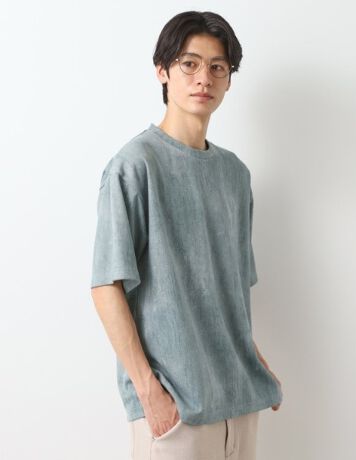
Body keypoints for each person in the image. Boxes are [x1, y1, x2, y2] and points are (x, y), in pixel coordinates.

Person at [90, 10, 283, 460]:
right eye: (189, 64)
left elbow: (229, 292)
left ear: (229, 80)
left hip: (240, 400)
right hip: (174, 408)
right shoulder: (134, 166)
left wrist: (256, 364)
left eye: (218, 67)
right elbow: (106, 285)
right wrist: (148, 392)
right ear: (163, 71)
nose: (204, 78)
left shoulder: (235, 175)